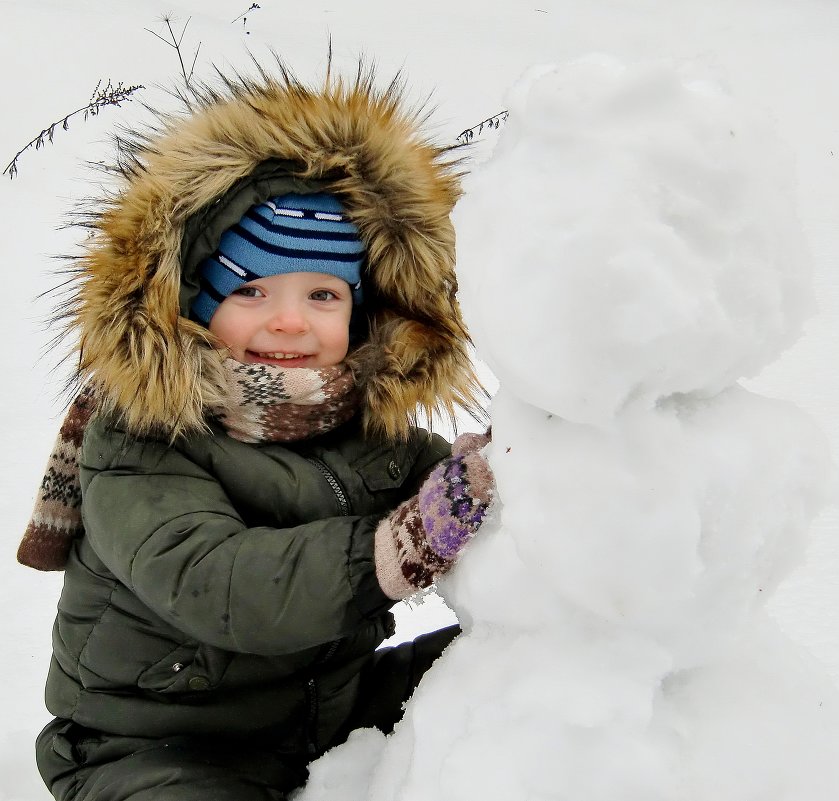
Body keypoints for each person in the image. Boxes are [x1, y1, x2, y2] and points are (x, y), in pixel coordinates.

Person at [17, 63, 493, 801]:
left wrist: (506, 475)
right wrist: (393, 550)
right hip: (156, 742)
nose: (290, 320)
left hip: (325, 714)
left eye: (322, 294)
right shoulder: (141, 438)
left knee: (507, 666)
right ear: (193, 301)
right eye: (250, 289)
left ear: (361, 312)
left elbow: (457, 496)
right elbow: (215, 581)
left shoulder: (364, 428)